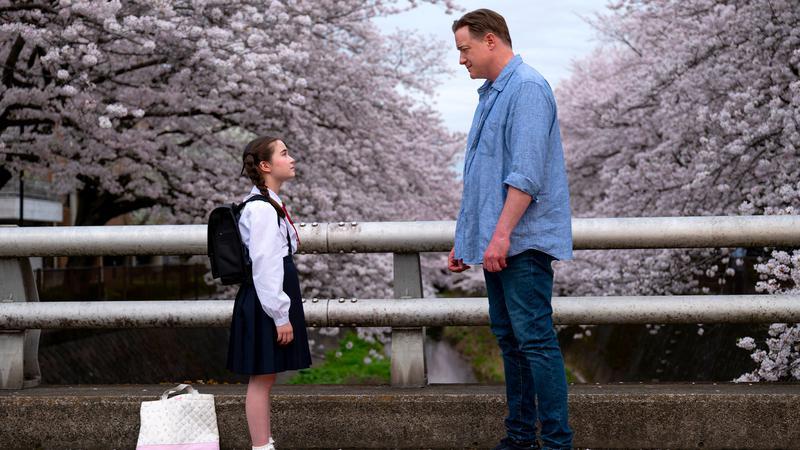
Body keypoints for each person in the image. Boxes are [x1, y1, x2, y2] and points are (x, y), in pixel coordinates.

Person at [448, 9, 574, 450]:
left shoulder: (527, 88)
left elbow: (526, 174)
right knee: (511, 341)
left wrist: (500, 236)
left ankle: (556, 443)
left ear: (490, 40)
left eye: (464, 49)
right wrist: (467, 238)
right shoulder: (492, 94)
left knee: (534, 341)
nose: (461, 59)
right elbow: (481, 176)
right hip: (498, 242)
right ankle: (520, 438)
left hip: (521, 242)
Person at [227, 136, 312, 450]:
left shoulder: (266, 204)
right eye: (284, 154)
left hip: (265, 297)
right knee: (262, 377)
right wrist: (280, 315)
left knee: (264, 376)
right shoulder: (262, 210)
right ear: (265, 165)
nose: (291, 159)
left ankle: (263, 444)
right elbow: (265, 264)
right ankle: (261, 446)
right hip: (267, 299)